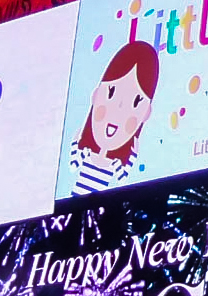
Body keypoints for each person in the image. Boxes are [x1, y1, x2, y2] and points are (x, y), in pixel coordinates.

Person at [67, 40, 160, 194]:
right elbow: (73, 165)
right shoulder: (87, 154)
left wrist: (132, 156)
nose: (118, 111)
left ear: (146, 114)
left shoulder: (114, 164)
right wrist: (76, 143)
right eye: (111, 93)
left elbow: (122, 178)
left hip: (101, 211)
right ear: (96, 95)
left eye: (135, 102)